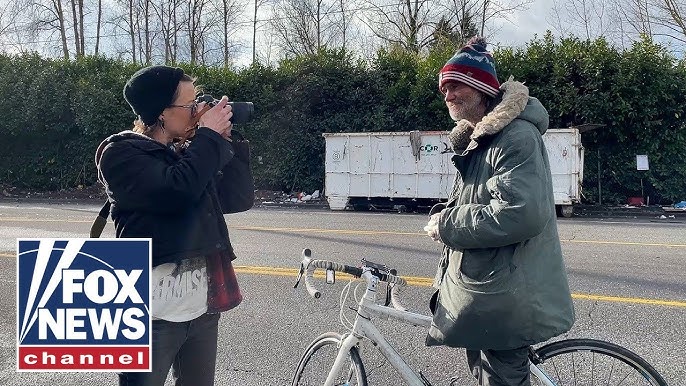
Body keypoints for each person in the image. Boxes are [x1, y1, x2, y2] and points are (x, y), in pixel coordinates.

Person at [423, 37, 575, 386]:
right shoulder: (480, 140)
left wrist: (447, 225)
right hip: (487, 294)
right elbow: (475, 202)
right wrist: (443, 216)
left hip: (505, 299)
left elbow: (518, 213)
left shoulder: (514, 137)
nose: (447, 95)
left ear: (480, 88)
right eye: (444, 88)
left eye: (455, 85)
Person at [95, 65, 253, 386]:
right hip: (151, 317)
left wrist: (225, 140)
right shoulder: (121, 154)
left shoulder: (189, 154)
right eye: (190, 105)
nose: (197, 112)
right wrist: (207, 139)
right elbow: (176, 190)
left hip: (201, 310)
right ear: (163, 113)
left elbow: (237, 198)